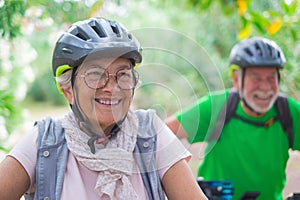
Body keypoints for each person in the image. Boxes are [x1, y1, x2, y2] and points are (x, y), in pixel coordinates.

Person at [0, 17, 207, 200]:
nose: (112, 88)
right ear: (68, 89)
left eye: (123, 74)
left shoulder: (151, 132)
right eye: (94, 74)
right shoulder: (44, 141)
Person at [165, 37, 300, 200]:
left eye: (271, 78)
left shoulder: (288, 111)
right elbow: (161, 136)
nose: (265, 88)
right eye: (256, 78)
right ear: (237, 80)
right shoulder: (218, 106)